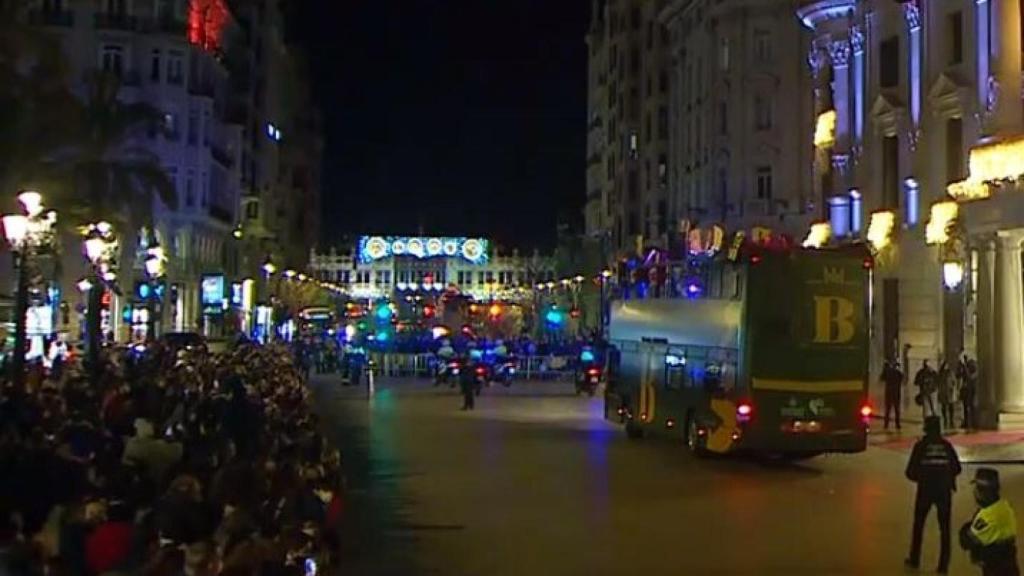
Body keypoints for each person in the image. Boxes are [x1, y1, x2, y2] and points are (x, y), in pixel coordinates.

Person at [906, 416, 962, 574]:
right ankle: (943, 565)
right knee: (945, 529)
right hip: (944, 492)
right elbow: (957, 468)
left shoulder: (920, 446)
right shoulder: (947, 446)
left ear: (925, 429)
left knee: (919, 525)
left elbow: (910, 472)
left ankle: (915, 558)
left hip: (925, 491)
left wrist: (923, 477)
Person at [960, 467, 1019, 575]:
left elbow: (966, 541)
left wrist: (966, 527)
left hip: (995, 568)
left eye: (976, 488)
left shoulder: (987, 516)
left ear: (981, 491)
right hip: (1009, 564)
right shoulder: (1004, 506)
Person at [882, 360, 904, 430]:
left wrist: (885, 369)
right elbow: (902, 378)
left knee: (888, 409)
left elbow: (882, 378)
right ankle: (897, 424)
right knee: (896, 410)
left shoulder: (888, 372)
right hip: (896, 393)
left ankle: (886, 424)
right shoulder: (898, 373)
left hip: (889, 393)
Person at [938, 360, 956, 429]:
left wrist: (952, 387)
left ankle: (951, 420)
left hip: (949, 392)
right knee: (944, 407)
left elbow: (953, 382)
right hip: (944, 392)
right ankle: (946, 419)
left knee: (950, 407)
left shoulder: (950, 373)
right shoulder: (942, 373)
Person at [963, 358, 978, 430]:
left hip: (975, 395)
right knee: (970, 409)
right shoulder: (973, 376)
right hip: (971, 394)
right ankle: (971, 423)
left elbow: (970, 378)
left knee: (973, 410)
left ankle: (974, 423)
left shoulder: (975, 376)